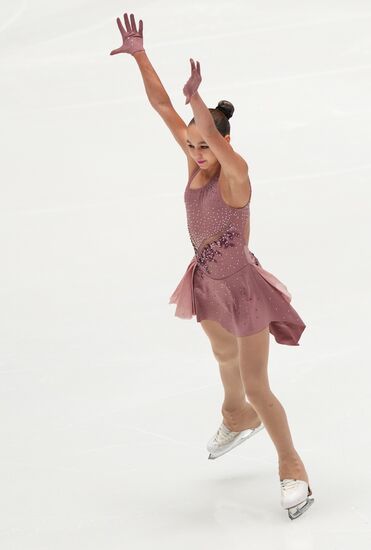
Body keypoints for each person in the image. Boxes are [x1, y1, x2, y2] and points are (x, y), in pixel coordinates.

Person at [110, 12, 314, 520]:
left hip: (243, 288)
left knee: (257, 383)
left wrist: (198, 102)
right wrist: (140, 55)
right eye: (193, 144)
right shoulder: (195, 162)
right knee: (224, 361)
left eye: (205, 144)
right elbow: (162, 106)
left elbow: (215, 142)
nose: (197, 152)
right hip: (206, 280)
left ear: (225, 142)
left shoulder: (236, 176)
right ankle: (233, 415)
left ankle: (293, 467)